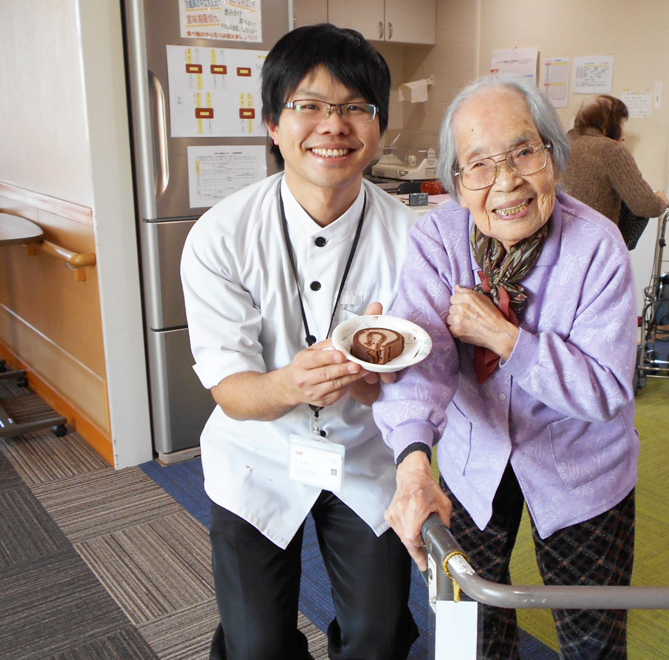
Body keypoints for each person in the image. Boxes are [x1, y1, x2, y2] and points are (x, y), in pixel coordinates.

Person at [373, 73, 639, 660]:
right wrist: (414, 460)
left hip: (581, 472)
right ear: (457, 183)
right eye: (480, 165)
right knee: (470, 633)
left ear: (554, 156)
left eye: (524, 151)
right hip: (473, 463)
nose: (507, 181)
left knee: (592, 640)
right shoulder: (438, 241)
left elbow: (607, 388)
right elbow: (421, 354)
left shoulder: (597, 247)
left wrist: (505, 337)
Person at [181, 24, 419, 660]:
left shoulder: (415, 241)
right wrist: (291, 383)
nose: (333, 125)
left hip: (366, 455)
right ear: (271, 124)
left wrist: (379, 384)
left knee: (381, 634)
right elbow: (232, 390)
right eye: (308, 105)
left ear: (378, 124)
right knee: (254, 646)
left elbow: (421, 382)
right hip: (255, 452)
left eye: (355, 107)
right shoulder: (220, 236)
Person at [561, 94, 669, 226]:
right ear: (608, 125)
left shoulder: (564, 144)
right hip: (594, 238)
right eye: (622, 125)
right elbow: (646, 206)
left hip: (559, 237)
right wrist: (661, 201)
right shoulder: (611, 150)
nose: (624, 136)